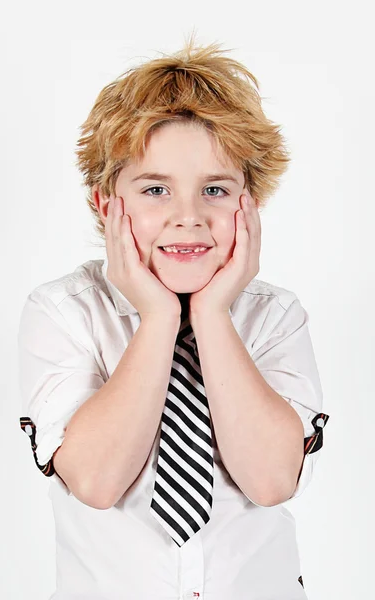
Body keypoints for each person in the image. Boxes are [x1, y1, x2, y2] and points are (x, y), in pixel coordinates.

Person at [18, 35, 330, 600]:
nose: (188, 218)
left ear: (249, 203)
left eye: (215, 189)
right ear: (106, 203)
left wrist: (210, 311)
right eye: (155, 189)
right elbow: (94, 480)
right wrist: (159, 316)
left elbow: (271, 480)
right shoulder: (63, 311)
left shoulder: (275, 316)